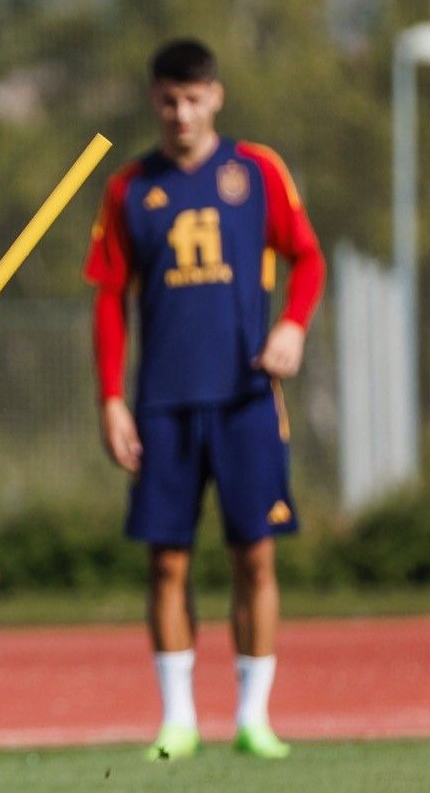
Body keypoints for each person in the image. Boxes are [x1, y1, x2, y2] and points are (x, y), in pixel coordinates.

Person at [84, 38, 326, 761]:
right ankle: (178, 719)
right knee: (168, 562)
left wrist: (292, 326)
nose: (181, 113)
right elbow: (107, 300)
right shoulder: (131, 187)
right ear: (154, 100)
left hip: (247, 397)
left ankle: (254, 718)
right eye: (168, 100)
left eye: (193, 99)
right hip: (163, 404)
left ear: (216, 96)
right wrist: (111, 400)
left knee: (255, 556)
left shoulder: (257, 171)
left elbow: (307, 257)